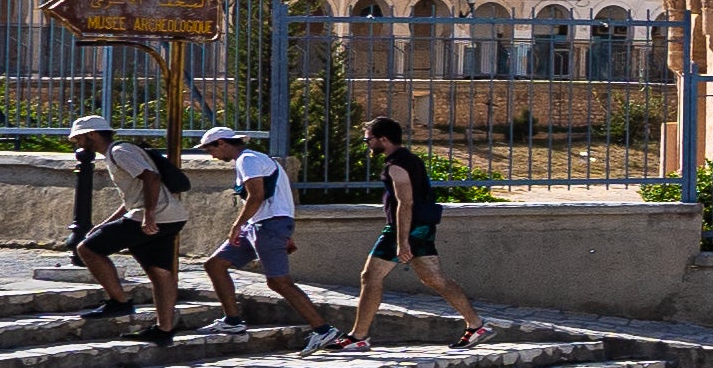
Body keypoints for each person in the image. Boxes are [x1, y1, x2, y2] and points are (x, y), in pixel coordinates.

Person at [334, 118, 491, 351]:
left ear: (383, 139)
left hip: (406, 227)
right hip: (422, 225)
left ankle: (359, 337)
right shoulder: (409, 159)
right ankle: (476, 325)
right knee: (433, 278)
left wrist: (402, 241)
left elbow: (404, 204)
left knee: (370, 276)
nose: (367, 144)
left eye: (369, 139)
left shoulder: (396, 165)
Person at [191, 127, 324, 344]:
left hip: (267, 226)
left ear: (222, 144)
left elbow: (256, 197)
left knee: (279, 282)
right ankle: (232, 321)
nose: (211, 155)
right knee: (215, 264)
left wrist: (236, 225)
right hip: (260, 226)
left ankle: (323, 329)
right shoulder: (252, 159)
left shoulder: (248, 160)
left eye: (210, 149)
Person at [65, 121, 185, 346]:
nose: (77, 143)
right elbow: (133, 196)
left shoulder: (119, 151)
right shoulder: (120, 152)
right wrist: (105, 223)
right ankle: (164, 330)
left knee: (87, 249)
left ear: (91, 135)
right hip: (172, 216)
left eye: (78, 138)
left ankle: (119, 301)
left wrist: (149, 214)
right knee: (160, 272)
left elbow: (151, 178)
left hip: (149, 217)